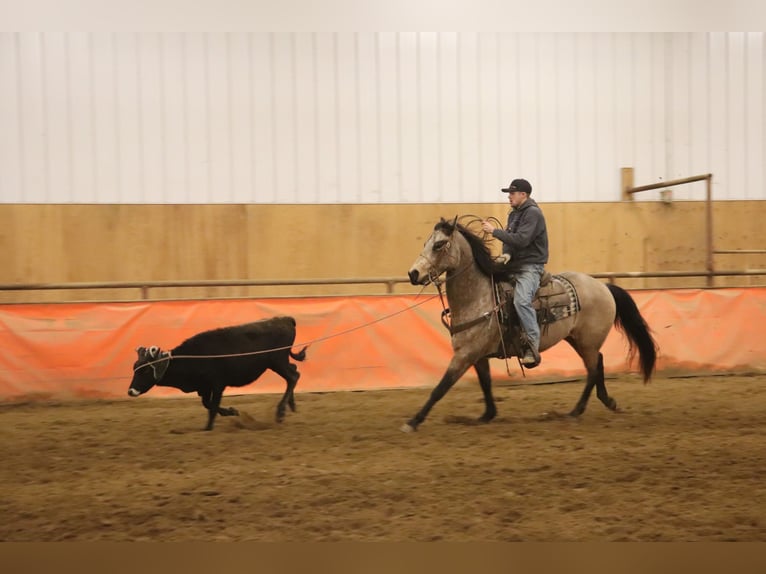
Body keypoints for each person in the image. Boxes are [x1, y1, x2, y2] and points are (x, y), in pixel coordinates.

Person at [481, 178, 549, 368]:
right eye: (509, 193)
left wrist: (494, 231)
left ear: (523, 195)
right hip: (516, 264)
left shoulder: (533, 214)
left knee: (521, 300)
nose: (509, 197)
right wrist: (507, 255)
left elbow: (521, 239)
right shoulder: (514, 214)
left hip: (531, 266)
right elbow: (511, 242)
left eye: (512, 193)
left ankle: (532, 347)